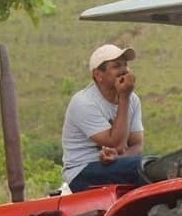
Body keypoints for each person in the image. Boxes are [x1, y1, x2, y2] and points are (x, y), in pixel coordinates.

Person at [62, 44, 147, 192]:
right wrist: (124, 98)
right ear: (98, 75)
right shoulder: (84, 102)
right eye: (116, 66)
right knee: (143, 168)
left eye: (125, 65)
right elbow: (116, 144)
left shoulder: (133, 99)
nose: (124, 70)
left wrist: (119, 158)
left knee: (153, 165)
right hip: (83, 170)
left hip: (115, 165)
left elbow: (137, 145)